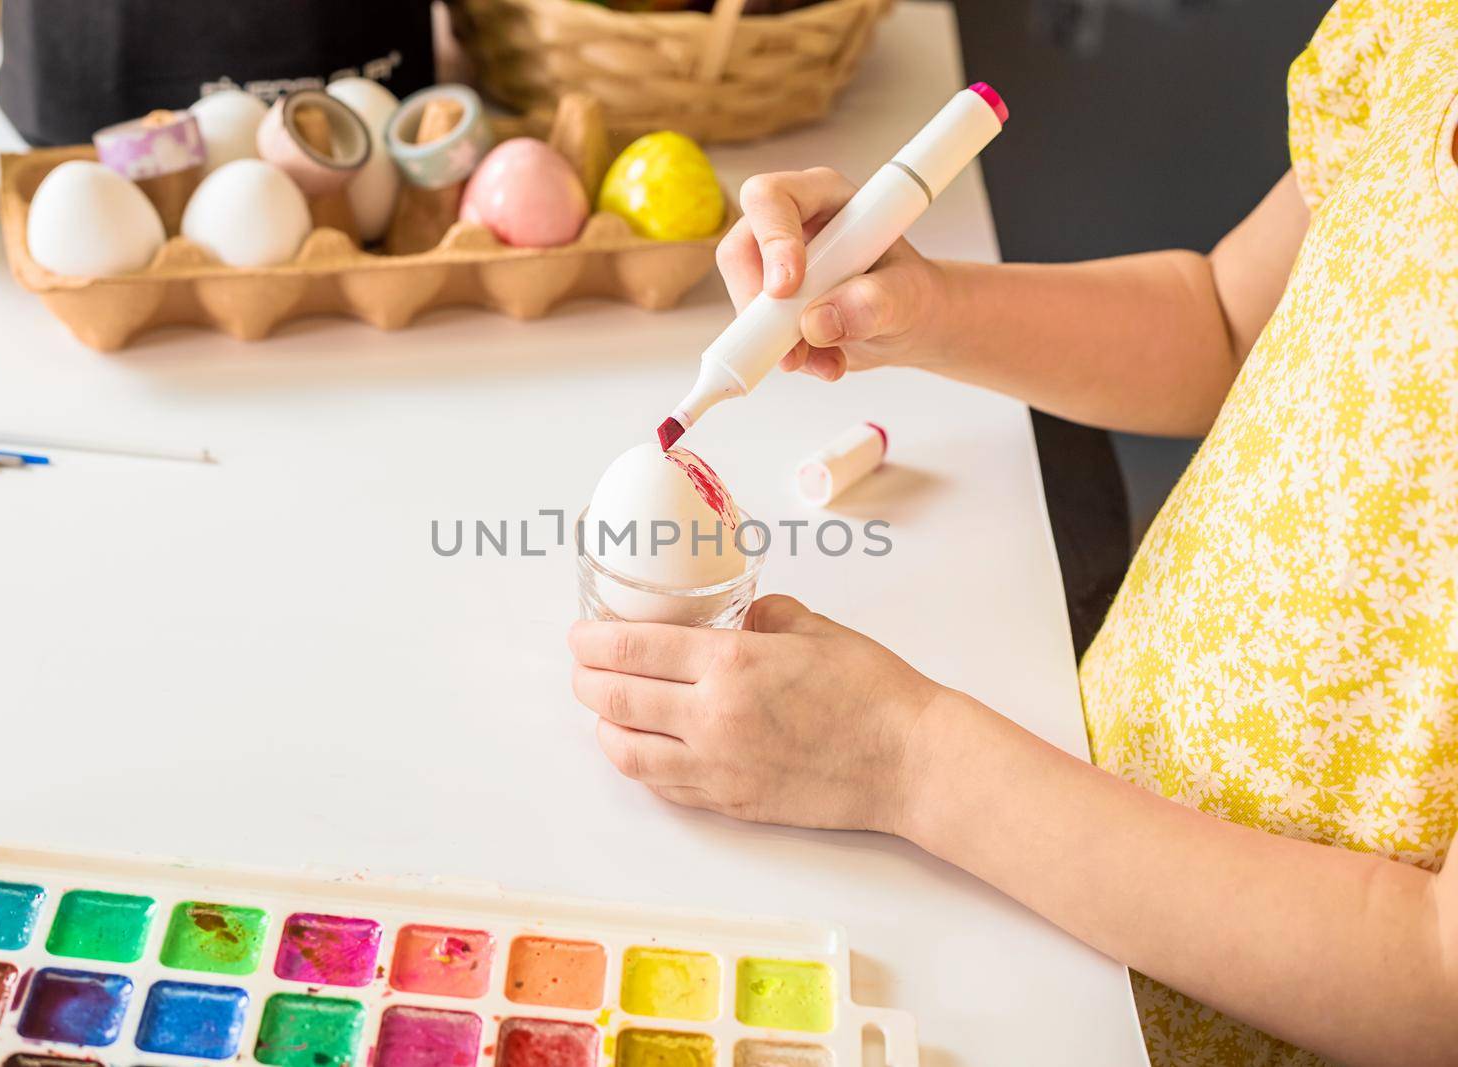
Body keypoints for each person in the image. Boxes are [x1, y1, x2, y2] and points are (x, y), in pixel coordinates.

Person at [567, 2, 1458, 1064]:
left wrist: (906, 757)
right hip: (1061, 817)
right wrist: (920, 305)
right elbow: (1227, 321)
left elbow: (1430, 980)